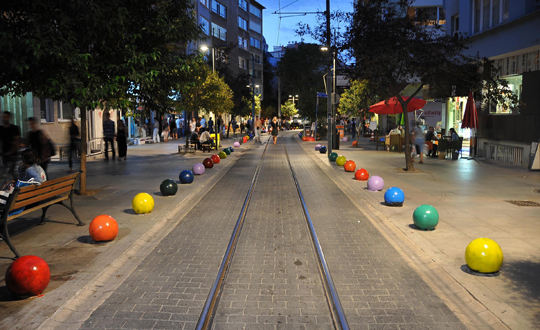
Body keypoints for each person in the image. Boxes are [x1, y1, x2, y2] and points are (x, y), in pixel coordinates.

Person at [0, 111, 21, 182]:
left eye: (6, 117)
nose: (4, 118)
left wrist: (11, 151)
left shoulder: (14, 128)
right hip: (4, 154)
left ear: (9, 118)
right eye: (4, 117)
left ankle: (15, 185)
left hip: (12, 154)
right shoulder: (1, 128)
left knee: (11, 172)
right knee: (7, 173)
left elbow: (17, 141)